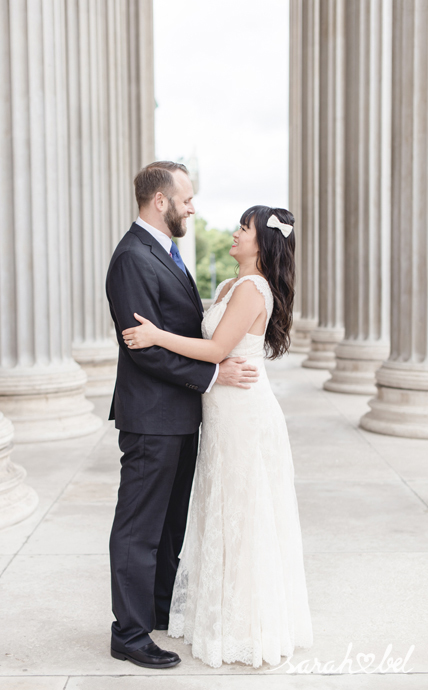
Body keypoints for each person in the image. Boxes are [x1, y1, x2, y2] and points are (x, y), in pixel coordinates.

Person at [122, 204, 313, 668]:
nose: (234, 233)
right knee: (221, 508)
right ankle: (220, 612)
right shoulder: (230, 284)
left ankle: (246, 625)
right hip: (221, 413)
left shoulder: (252, 287)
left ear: (261, 243)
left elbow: (215, 349)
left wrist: (155, 336)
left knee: (243, 513)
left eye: (243, 229)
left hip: (244, 415)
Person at [105, 161, 259, 670]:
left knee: (169, 526)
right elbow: (143, 349)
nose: (193, 206)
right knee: (139, 528)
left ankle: (156, 608)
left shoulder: (164, 252)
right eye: (186, 198)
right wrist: (214, 377)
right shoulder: (132, 257)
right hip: (150, 417)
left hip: (178, 415)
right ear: (160, 201)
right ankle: (128, 633)